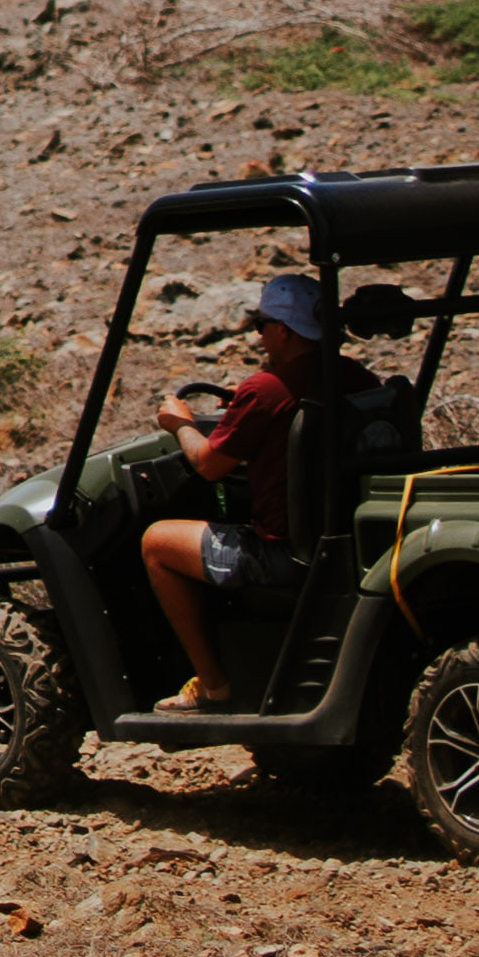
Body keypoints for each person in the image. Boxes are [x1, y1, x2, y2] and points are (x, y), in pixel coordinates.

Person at [138, 274, 347, 710]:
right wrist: (247, 402)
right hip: (344, 542)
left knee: (156, 542)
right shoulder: (351, 375)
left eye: (260, 326)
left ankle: (214, 686)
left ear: (284, 331)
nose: (260, 335)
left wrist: (181, 424)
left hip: (284, 553)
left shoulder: (266, 390)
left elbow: (209, 466)